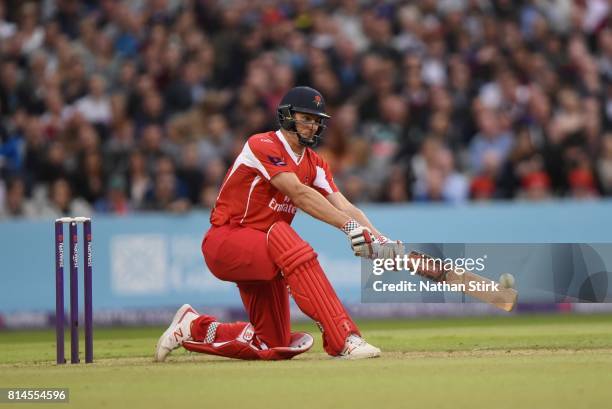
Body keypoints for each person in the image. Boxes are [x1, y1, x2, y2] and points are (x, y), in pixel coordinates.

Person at [154, 86, 403, 361]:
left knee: (273, 344)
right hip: (226, 242)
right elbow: (298, 193)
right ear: (287, 116)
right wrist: (348, 227)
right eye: (306, 118)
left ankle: (193, 326)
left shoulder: (316, 164)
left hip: (266, 251)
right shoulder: (262, 145)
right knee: (283, 234)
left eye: (317, 120)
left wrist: (379, 239)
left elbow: (344, 205)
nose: (312, 126)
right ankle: (344, 338)